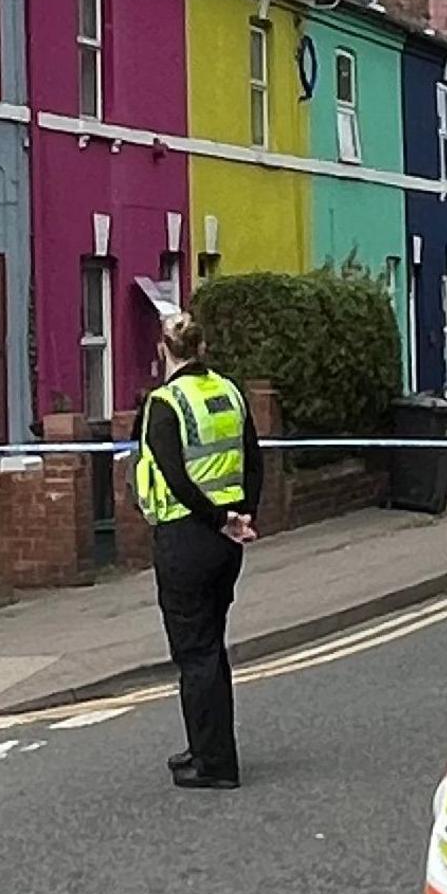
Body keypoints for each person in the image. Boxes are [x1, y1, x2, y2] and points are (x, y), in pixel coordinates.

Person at [134, 312, 260, 790]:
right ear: (202, 348)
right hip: (227, 543)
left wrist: (216, 519)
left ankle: (215, 764)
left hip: (186, 538)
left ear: (164, 350)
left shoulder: (164, 403)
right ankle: (205, 747)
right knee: (210, 646)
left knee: (195, 653)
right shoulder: (229, 392)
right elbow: (253, 458)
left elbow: (175, 477)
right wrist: (243, 516)